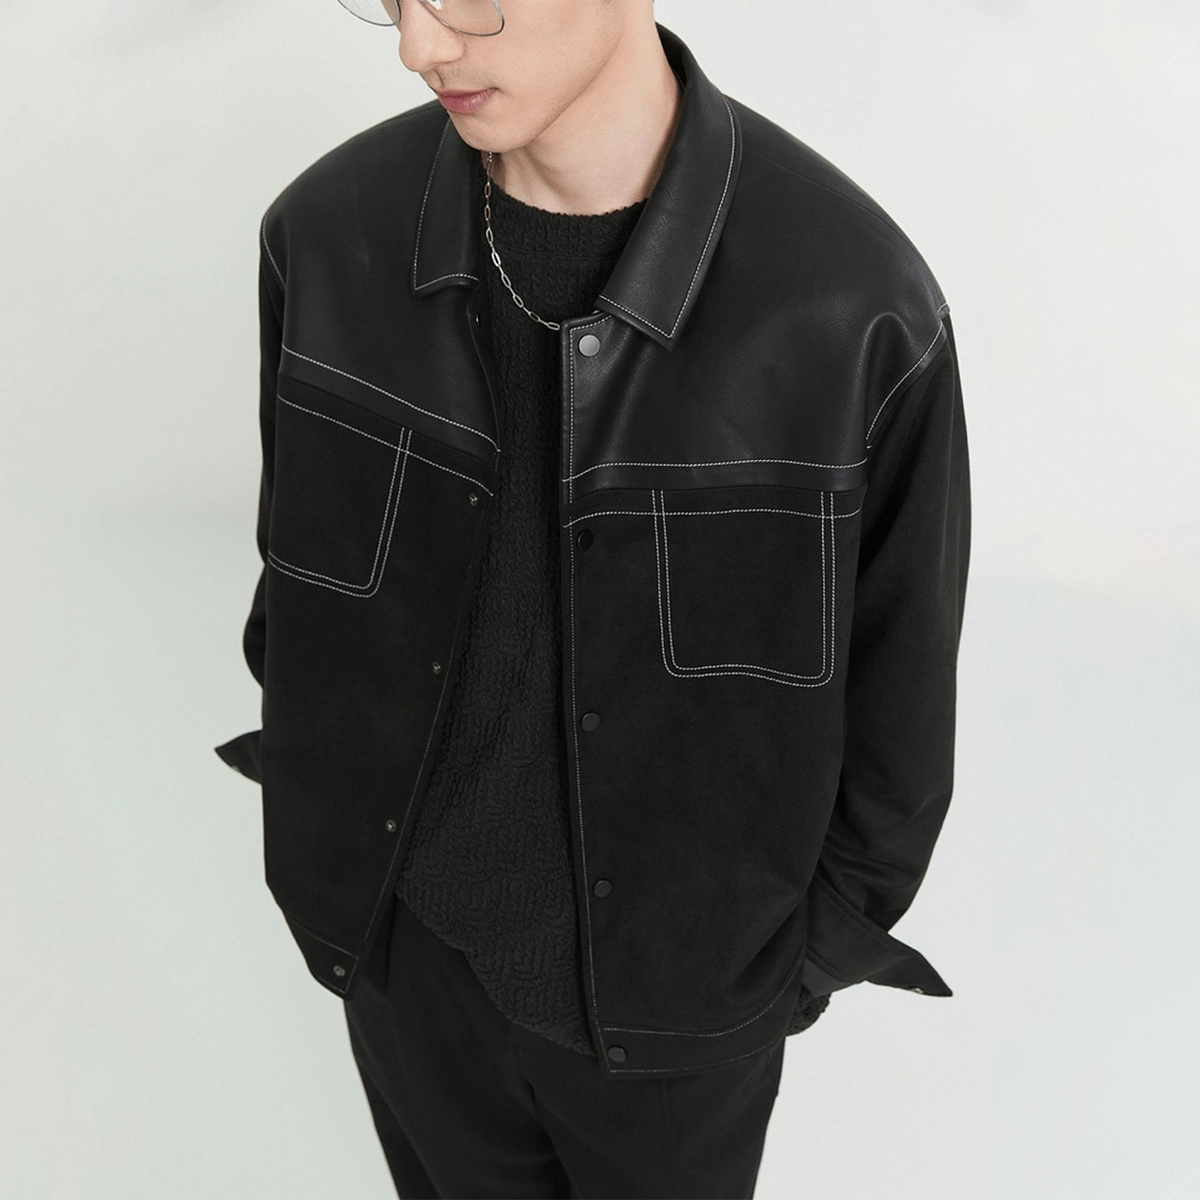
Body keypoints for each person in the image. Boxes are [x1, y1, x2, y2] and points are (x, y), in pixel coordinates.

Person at [214, 1, 972, 1196]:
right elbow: (299, 594)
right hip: (406, 954)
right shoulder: (327, 231)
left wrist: (779, 970)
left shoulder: (851, 302)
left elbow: (900, 719)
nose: (418, 46)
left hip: (682, 1014)